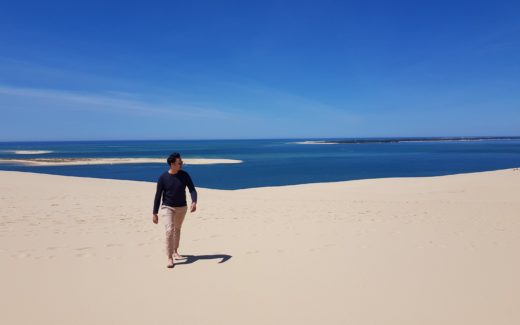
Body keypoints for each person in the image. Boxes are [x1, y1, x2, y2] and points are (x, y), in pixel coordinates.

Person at [153, 152, 197, 268]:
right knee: (169, 230)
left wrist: (194, 201)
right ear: (172, 164)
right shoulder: (163, 177)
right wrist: (154, 213)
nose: (181, 164)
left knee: (177, 229)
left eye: (181, 162)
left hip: (182, 207)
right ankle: (169, 257)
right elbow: (158, 196)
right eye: (179, 163)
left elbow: (192, 189)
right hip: (167, 207)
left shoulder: (184, 175)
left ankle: (175, 251)